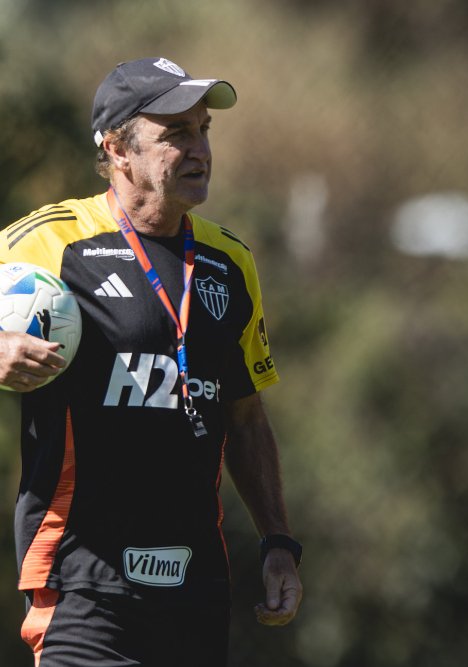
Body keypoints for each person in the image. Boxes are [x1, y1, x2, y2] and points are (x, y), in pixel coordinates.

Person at [0, 57, 303, 666]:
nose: (199, 151)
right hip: (82, 586)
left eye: (204, 131)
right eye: (176, 135)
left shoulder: (230, 262)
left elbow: (245, 419)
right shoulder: (50, 241)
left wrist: (278, 541)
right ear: (118, 150)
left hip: (196, 588)